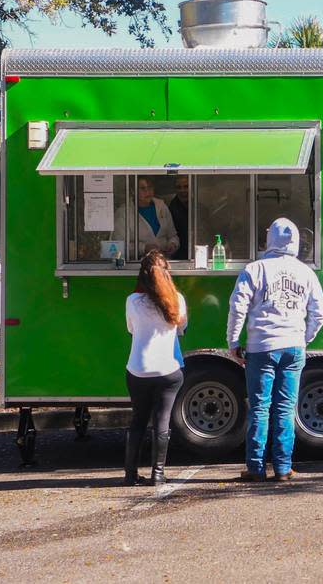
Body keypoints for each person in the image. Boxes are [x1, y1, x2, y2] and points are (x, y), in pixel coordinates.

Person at [227, 218, 323, 482]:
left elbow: (238, 307)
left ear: (269, 240)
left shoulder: (255, 269)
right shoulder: (306, 272)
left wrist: (233, 342)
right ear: (296, 241)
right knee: (285, 408)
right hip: (293, 347)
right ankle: (283, 468)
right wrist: (304, 338)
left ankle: (256, 467)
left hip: (261, 347)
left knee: (260, 407)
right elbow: (320, 313)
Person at [123, 251, 187, 486]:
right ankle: (158, 474)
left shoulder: (132, 301)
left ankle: (130, 475)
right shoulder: (178, 300)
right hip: (168, 371)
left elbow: (131, 329)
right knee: (162, 420)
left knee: (138, 419)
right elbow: (181, 329)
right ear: (167, 274)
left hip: (138, 369)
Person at [113, 177, 179, 258]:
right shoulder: (123, 212)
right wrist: (143, 248)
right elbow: (118, 247)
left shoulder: (161, 206)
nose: (147, 192)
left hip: (162, 263)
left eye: (150, 187)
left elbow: (173, 236)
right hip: (136, 265)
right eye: (143, 188)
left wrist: (172, 244)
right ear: (133, 191)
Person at [168, 175, 189, 255]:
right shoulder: (170, 210)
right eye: (179, 187)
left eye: (186, 186)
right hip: (178, 256)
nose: (182, 190)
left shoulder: (200, 208)